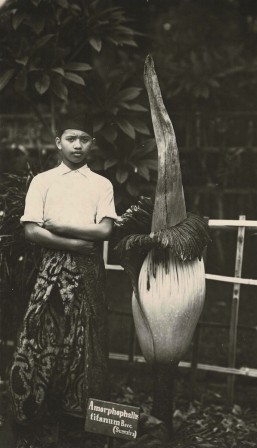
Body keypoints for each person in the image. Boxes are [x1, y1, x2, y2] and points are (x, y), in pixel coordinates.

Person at [8, 113, 117, 446]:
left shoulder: (101, 184)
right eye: (71, 138)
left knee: (85, 340)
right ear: (58, 142)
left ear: (92, 145)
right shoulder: (43, 181)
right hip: (52, 269)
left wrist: (57, 225)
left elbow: (104, 230)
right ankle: (33, 414)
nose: (78, 145)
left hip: (88, 273)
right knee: (39, 336)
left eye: (84, 139)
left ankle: (78, 420)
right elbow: (31, 231)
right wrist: (75, 243)